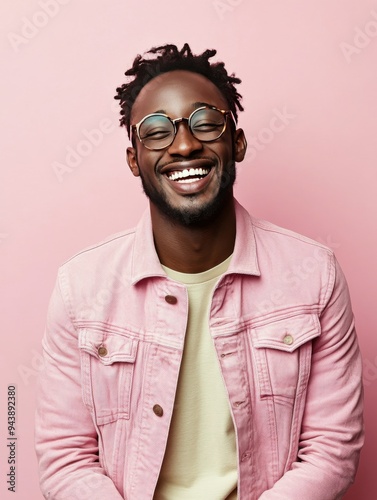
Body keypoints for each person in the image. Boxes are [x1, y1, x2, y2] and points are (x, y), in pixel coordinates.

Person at [35, 43, 364, 499]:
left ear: (238, 142)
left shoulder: (314, 276)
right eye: (155, 132)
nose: (185, 144)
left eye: (206, 123)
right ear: (134, 159)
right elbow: (65, 457)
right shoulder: (81, 288)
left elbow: (332, 450)